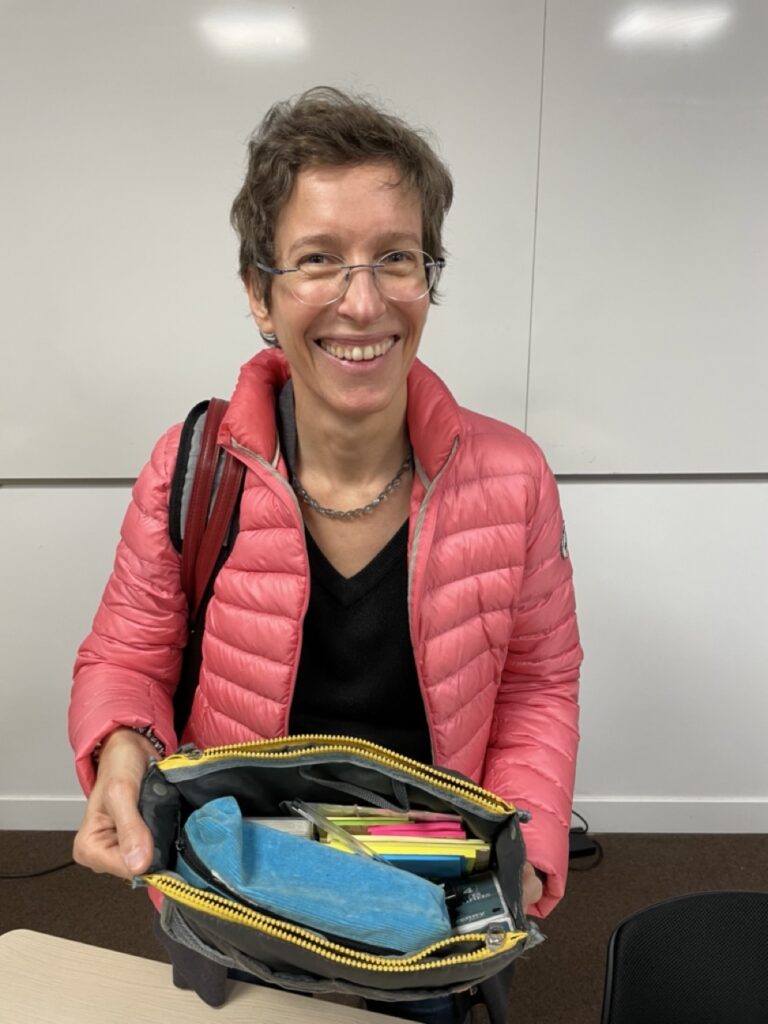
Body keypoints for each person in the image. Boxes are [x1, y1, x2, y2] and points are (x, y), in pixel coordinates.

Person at [68, 87, 582, 1023]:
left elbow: (538, 686)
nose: (362, 299)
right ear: (261, 296)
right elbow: (128, 660)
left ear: (429, 277)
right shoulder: (191, 468)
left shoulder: (514, 479)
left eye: (396, 257)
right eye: (317, 261)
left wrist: (529, 838)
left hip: (432, 875)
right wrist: (120, 754)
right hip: (237, 876)